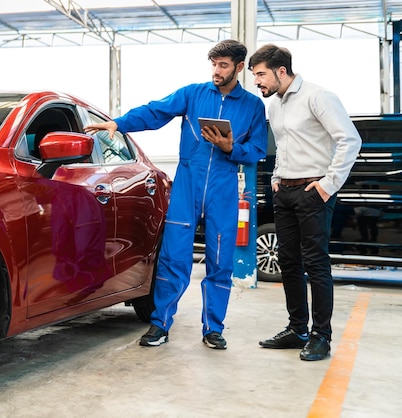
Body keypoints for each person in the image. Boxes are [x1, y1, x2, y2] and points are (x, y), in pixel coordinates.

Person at [84, 39, 267, 350]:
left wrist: (231, 148)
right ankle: (160, 324)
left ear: (239, 67)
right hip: (187, 184)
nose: (216, 71)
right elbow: (156, 111)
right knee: (173, 257)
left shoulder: (252, 106)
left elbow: (258, 150)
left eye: (223, 66)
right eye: (214, 65)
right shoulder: (193, 94)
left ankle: (213, 329)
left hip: (223, 188)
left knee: (220, 261)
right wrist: (120, 122)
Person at [249, 44, 362, 361]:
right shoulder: (275, 105)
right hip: (283, 191)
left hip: (313, 191)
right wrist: (275, 175)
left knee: (315, 263)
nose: (257, 82)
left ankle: (321, 336)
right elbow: (285, 146)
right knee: (289, 262)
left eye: (260, 74)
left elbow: (349, 139)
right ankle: (297, 329)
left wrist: (328, 185)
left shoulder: (318, 96)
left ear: (280, 71)